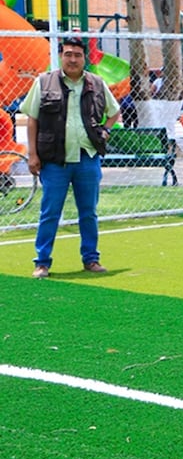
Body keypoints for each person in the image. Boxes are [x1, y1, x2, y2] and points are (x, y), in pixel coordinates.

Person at [21, 36, 121, 278]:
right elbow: (32, 119)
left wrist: (105, 131)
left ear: (84, 58)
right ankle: (42, 262)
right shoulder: (44, 82)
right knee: (50, 212)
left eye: (77, 55)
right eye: (68, 54)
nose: (73, 59)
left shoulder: (96, 83)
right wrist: (32, 154)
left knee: (88, 212)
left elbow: (114, 112)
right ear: (60, 56)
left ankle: (91, 259)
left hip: (87, 158)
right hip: (55, 161)